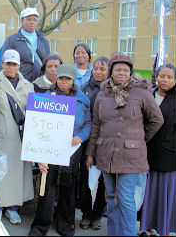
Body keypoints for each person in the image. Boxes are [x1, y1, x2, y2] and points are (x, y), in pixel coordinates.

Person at [85, 54, 164, 236]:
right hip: (106, 154)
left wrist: (139, 139)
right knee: (111, 197)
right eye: (118, 70)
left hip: (131, 157)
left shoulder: (141, 92)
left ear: (131, 72)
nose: (122, 73)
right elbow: (96, 124)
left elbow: (156, 119)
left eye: (126, 70)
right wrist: (91, 153)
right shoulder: (103, 93)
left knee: (126, 199)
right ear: (111, 72)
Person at [29, 64, 91, 236]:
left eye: (68, 79)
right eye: (61, 78)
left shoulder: (82, 98)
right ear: (57, 79)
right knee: (47, 189)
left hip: (72, 150)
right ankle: (41, 225)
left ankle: (65, 224)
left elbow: (89, 122)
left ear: (73, 80)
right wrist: (38, 156)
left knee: (68, 188)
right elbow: (36, 126)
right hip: (50, 149)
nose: (64, 82)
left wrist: (82, 136)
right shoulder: (46, 97)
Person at [0, 49, 34, 225]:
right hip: (2, 136)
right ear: (2, 64)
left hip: (22, 137)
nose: (11, 67)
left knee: (18, 174)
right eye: (8, 63)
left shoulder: (28, 86)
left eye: (14, 64)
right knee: (1, 173)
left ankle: (14, 208)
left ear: (19, 66)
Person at [140, 64, 176, 236]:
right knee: (148, 194)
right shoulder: (148, 95)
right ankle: (147, 227)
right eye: (162, 76)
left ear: (174, 79)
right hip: (146, 153)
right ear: (156, 76)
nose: (165, 80)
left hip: (169, 155)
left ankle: (166, 229)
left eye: (170, 77)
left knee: (166, 195)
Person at [79, 57, 109, 230]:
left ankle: (97, 214)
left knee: (103, 183)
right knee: (84, 180)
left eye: (102, 69)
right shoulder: (84, 90)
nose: (98, 72)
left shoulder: (112, 91)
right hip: (86, 141)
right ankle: (86, 214)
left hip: (105, 142)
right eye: (95, 68)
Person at [0, 7, 50, 83]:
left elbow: (48, 63)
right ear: (22, 21)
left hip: (40, 84)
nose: (32, 22)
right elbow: (3, 62)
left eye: (35, 20)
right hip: (19, 84)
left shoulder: (43, 40)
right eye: (28, 19)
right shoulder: (12, 40)